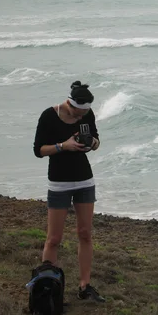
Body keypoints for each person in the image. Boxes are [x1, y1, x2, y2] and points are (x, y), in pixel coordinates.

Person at [33, 81, 105, 303]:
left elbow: (96, 140)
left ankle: (85, 286)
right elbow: (38, 150)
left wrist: (92, 143)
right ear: (70, 104)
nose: (84, 115)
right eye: (80, 111)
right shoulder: (49, 116)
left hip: (85, 180)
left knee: (85, 234)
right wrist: (63, 146)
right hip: (59, 182)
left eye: (87, 111)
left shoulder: (87, 114)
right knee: (54, 238)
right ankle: (48, 287)